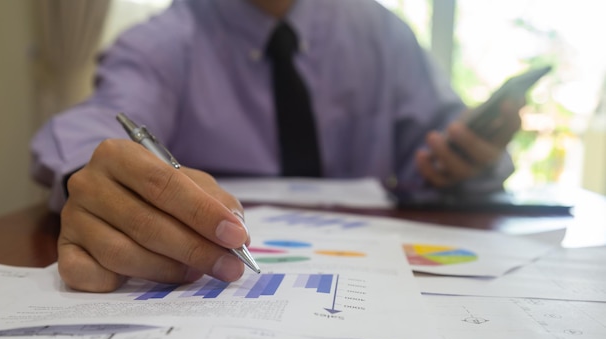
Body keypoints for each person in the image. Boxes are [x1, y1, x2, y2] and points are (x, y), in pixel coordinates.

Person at [30, 0, 523, 293]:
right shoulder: (164, 40)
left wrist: (471, 158)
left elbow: (439, 140)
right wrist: (96, 176)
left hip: (393, 268)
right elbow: (97, 123)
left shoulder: (381, 32)